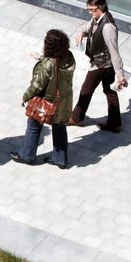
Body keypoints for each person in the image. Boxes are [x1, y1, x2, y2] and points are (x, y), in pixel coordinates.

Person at [21, 29, 76, 168]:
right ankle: (60, 159)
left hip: (49, 101)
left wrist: (25, 96)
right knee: (60, 127)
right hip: (64, 101)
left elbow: (37, 85)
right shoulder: (69, 57)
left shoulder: (49, 64)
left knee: (33, 124)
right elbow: (55, 66)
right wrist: (42, 58)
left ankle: (27, 155)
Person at [75, 0, 128, 134]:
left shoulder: (108, 27)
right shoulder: (97, 19)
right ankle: (115, 123)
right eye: (89, 9)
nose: (90, 12)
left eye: (92, 10)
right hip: (103, 64)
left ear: (101, 7)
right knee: (109, 91)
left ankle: (76, 118)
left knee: (86, 90)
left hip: (101, 65)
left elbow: (114, 52)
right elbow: (87, 28)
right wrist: (81, 33)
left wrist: (120, 75)